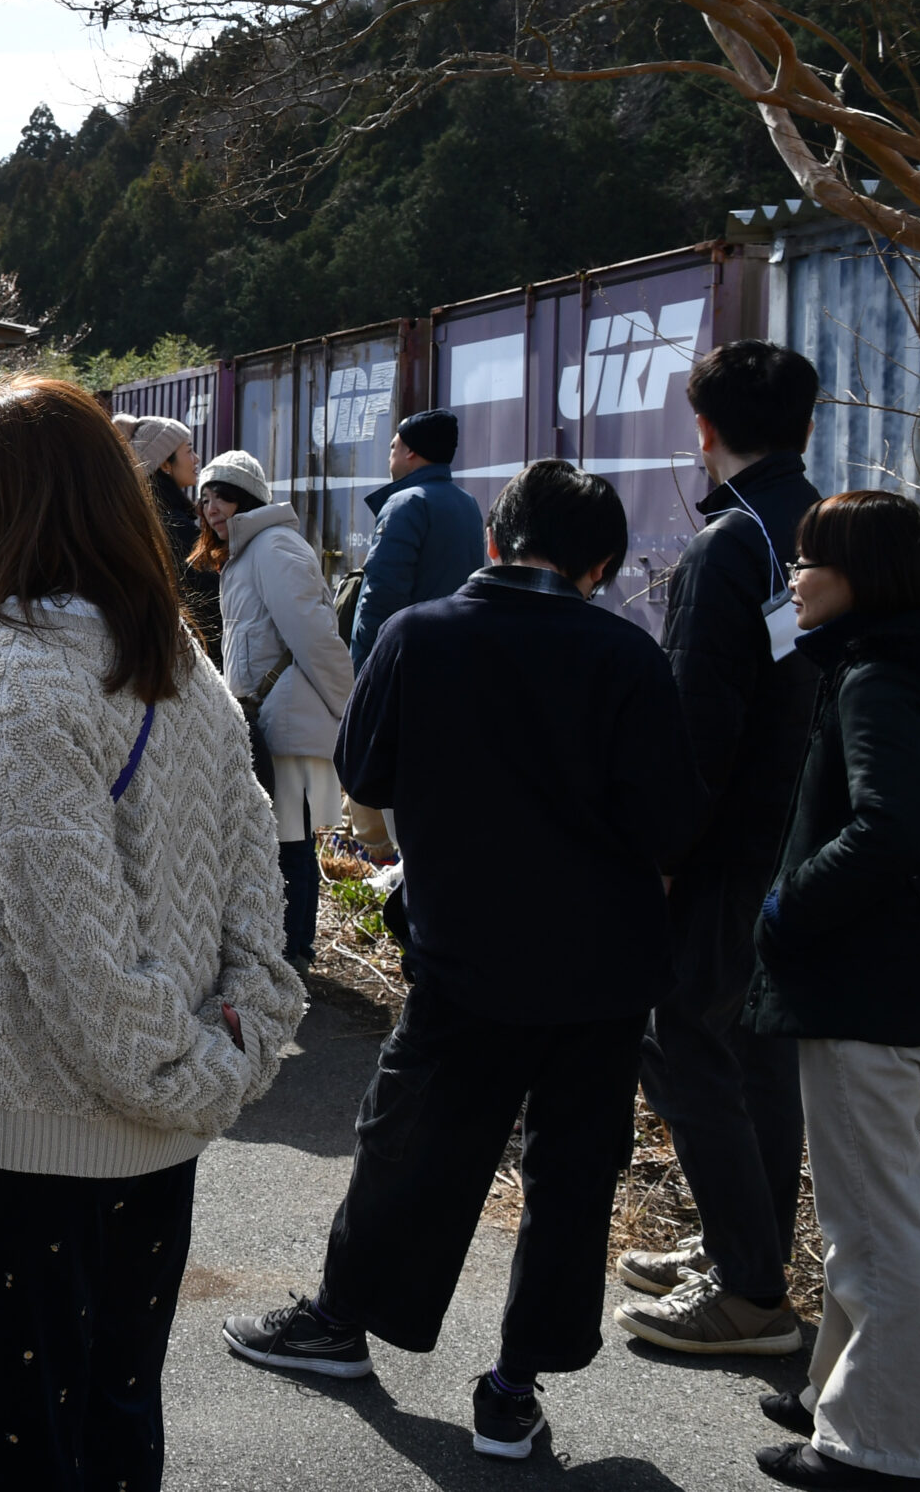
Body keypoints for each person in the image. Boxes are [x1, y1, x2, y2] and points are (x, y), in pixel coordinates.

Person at [223, 460, 700, 1462]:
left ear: (493, 540)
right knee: (571, 1173)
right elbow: (665, 821)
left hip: (466, 948)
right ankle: (514, 1387)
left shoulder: (418, 634)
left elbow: (366, 771)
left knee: (415, 1142)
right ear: (601, 564)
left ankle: (341, 1321)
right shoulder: (627, 656)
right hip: (604, 965)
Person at [0, 376, 306, 1491]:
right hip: (160, 1123)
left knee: (15, 1442)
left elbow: (66, 931)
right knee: (118, 1419)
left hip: (33, 1113)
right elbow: (249, 875)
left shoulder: (14, 663)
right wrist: (223, 1051)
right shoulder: (172, 653)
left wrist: (172, 1068)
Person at [741, 491, 920, 1489]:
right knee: (864, 1208)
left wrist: (783, 907)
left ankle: (888, 1447)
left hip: (864, 988)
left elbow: (887, 829)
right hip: (896, 987)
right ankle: (835, 1392)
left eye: (809, 560)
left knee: (873, 1223)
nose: (794, 577)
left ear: (857, 575)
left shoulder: (876, 679)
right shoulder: (919, 667)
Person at [617, 340, 822, 1360]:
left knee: (681, 1040)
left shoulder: (727, 543)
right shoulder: (816, 521)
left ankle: (745, 1288)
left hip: (728, 843)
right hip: (798, 834)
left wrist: (660, 849)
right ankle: (745, 1243)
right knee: (756, 1051)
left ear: (702, 429)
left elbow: (700, 719)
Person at [189, 449, 354, 962]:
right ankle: (289, 952)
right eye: (206, 497)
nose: (213, 507)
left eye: (225, 495)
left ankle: (293, 955)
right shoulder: (248, 550)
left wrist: (350, 713)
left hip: (288, 717)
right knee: (285, 841)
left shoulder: (273, 546)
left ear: (251, 497)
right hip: (271, 716)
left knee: (290, 845)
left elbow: (317, 639)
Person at [347, 409, 484, 669]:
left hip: (405, 662)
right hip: (452, 657)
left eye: (393, 446)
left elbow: (383, 594)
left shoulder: (405, 503)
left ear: (410, 452)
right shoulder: (468, 503)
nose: (390, 455)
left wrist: (366, 661)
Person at [120, 413, 220, 655]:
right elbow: (215, 598)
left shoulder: (146, 519)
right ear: (165, 464)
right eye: (189, 451)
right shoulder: (174, 528)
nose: (196, 459)